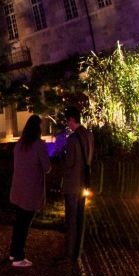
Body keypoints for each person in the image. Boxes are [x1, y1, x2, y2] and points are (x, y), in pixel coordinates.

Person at [8, 115, 51, 268]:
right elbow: (47, 167)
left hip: (18, 190)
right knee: (24, 224)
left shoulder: (20, 144)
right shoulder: (38, 145)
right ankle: (19, 257)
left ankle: (13, 252)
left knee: (19, 222)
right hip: (30, 191)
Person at [61, 106, 94, 262]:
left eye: (68, 121)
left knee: (72, 219)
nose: (68, 124)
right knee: (81, 218)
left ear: (72, 120)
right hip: (83, 183)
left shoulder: (73, 139)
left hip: (72, 184)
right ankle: (78, 251)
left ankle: (69, 252)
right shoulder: (89, 135)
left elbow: (69, 164)